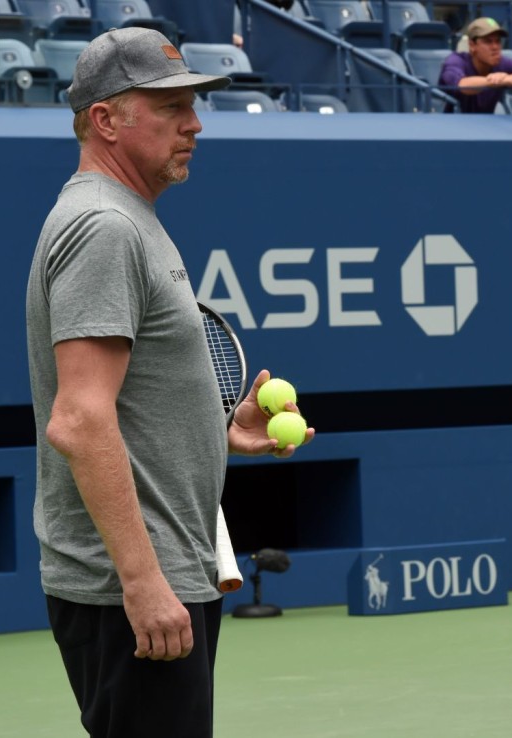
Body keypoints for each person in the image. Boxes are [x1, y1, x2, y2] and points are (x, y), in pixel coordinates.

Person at [25, 27, 314, 738]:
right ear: (106, 120)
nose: (194, 124)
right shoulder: (104, 227)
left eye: (193, 104)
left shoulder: (130, 219)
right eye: (170, 107)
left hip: (165, 569)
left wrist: (215, 431)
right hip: (131, 586)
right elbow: (80, 420)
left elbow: (123, 402)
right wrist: (143, 580)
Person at [438, 17, 512, 114]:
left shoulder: (502, 63)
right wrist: (502, 80)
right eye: (488, 41)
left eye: (498, 41)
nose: (495, 47)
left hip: (485, 126)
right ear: (472, 45)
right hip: (449, 127)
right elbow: (462, 85)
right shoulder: (455, 60)